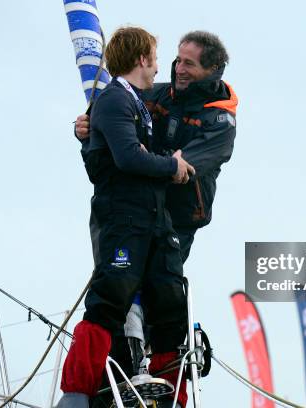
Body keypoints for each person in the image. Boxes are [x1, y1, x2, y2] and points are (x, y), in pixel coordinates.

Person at [75, 31, 237, 408]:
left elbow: (182, 166)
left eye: (189, 64)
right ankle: (118, 373)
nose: (178, 68)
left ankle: (159, 384)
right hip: (135, 212)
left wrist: (162, 163)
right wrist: (86, 129)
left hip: (178, 218)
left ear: (212, 70)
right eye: (177, 59)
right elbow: (116, 123)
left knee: (162, 302)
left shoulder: (220, 121)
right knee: (120, 292)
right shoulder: (154, 94)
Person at [58, 26, 195, 408]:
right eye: (154, 56)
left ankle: (175, 398)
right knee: (109, 301)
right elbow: (127, 158)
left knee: (170, 307)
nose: (158, 66)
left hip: (155, 222)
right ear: (141, 59)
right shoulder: (114, 100)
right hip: (124, 220)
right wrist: (172, 165)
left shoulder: (138, 103)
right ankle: (76, 394)